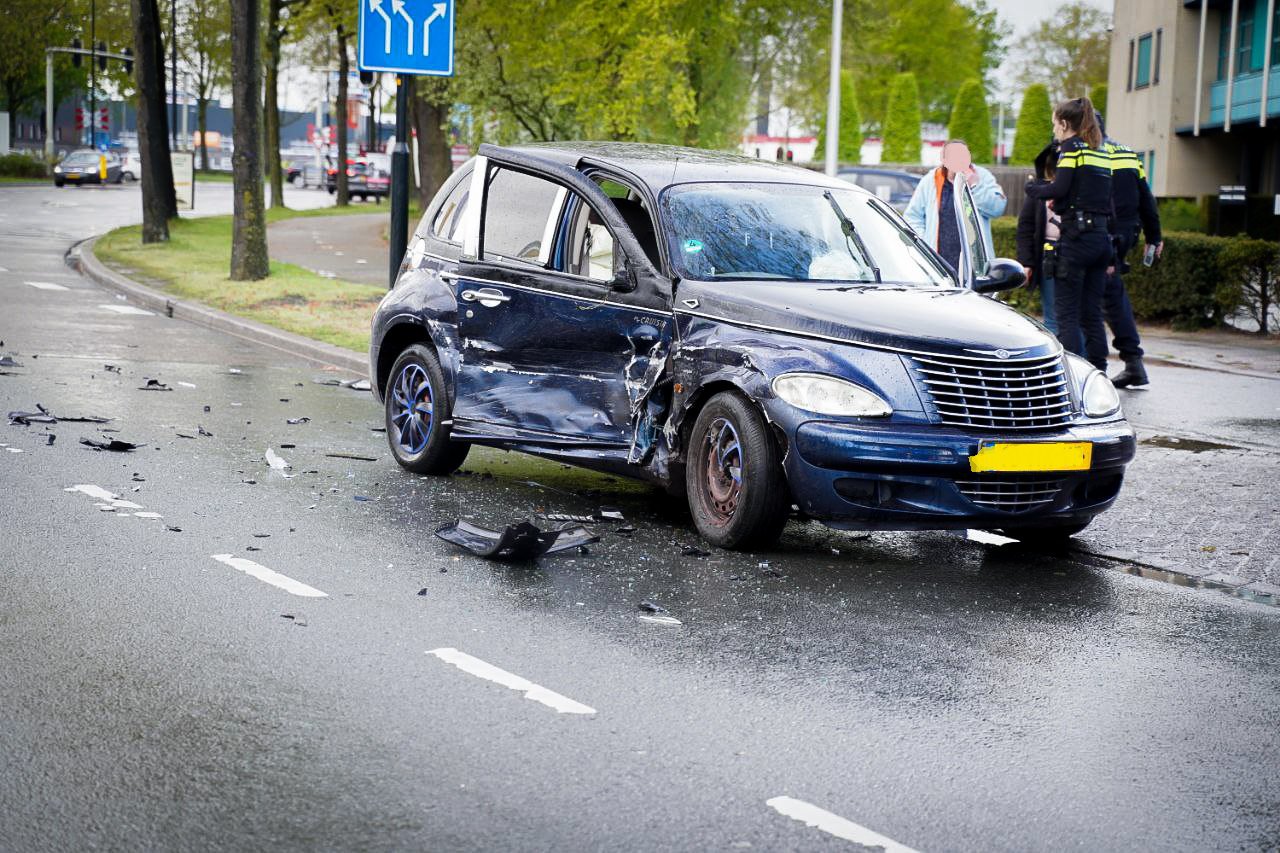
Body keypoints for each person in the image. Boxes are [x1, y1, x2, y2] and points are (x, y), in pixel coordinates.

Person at [1024, 97, 1113, 371]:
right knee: (1092, 315)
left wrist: (1033, 189)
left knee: (1067, 316)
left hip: (1076, 241)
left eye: (1054, 124)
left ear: (1064, 124)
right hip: (1101, 239)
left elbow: (1059, 189)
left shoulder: (1071, 148)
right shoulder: (1101, 151)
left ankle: (1075, 374)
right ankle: (1099, 372)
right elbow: (1092, 195)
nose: (1054, 131)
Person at [1101, 120, 1162, 388]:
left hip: (1101, 235)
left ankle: (1093, 369)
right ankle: (1133, 363)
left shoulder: (1085, 153)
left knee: (1086, 302)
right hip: (1126, 234)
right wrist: (1154, 236)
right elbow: (1145, 196)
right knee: (1113, 297)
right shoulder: (1126, 152)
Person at [904, 140, 1007, 279]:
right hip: (938, 267)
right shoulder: (931, 180)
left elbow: (997, 208)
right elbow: (912, 217)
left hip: (973, 268)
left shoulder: (982, 176)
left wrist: (974, 186)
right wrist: (925, 243)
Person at [1015, 141, 1064, 333]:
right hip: (1048, 257)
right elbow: (1025, 228)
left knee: (1076, 317)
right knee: (1052, 317)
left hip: (1074, 254)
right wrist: (1026, 262)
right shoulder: (1038, 191)